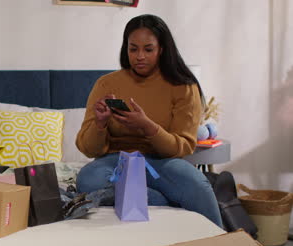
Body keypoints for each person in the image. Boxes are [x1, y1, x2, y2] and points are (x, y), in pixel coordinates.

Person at [75, 14, 223, 227]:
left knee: (198, 185)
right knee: (89, 180)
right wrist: (100, 123)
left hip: (163, 161)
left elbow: (182, 147)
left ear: (162, 49)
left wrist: (147, 127)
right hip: (117, 161)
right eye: (133, 49)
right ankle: (159, 200)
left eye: (148, 49)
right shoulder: (107, 84)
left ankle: (221, 242)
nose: (139, 56)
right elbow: (88, 149)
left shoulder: (183, 86)